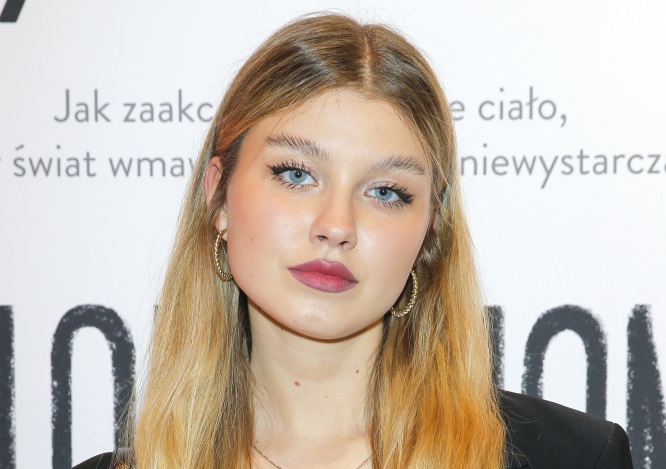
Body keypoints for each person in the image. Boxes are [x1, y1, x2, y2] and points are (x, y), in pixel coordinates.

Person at [74, 13, 633, 469]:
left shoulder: (573, 458)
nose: (336, 225)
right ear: (218, 196)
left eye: (386, 192)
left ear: (430, 231)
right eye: (296, 174)